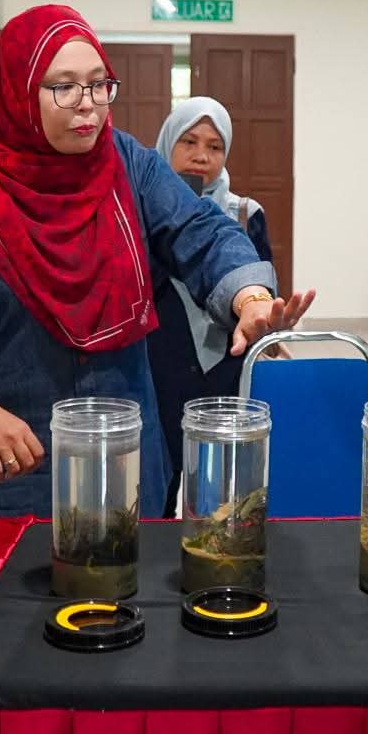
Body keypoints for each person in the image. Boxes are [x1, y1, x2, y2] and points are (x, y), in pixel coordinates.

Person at [0, 6, 313, 557]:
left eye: (99, 83)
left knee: (130, 593)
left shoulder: (128, 167)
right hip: (14, 452)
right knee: (13, 602)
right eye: (63, 87)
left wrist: (250, 296)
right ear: (19, 91)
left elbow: (199, 230)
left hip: (123, 447)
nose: (87, 103)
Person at [147, 98, 276, 510]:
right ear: (167, 142)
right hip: (158, 368)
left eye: (215, 146)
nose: (201, 156)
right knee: (157, 489)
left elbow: (259, 284)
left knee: (220, 497)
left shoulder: (245, 214)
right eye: (189, 142)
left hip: (225, 369)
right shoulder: (138, 212)